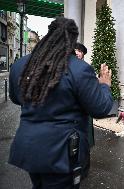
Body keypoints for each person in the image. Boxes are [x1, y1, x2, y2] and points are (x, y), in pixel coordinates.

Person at [8, 17, 113, 189]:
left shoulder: (20, 65)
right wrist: (104, 86)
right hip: (61, 154)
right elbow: (100, 108)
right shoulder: (79, 69)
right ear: (72, 40)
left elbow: (16, 97)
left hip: (29, 147)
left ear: (49, 35)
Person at [74, 42, 94, 179]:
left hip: (84, 111)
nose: (77, 53)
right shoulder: (66, 67)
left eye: (80, 51)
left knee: (85, 140)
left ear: (83, 54)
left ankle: (84, 169)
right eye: (75, 50)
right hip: (71, 112)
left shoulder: (88, 69)